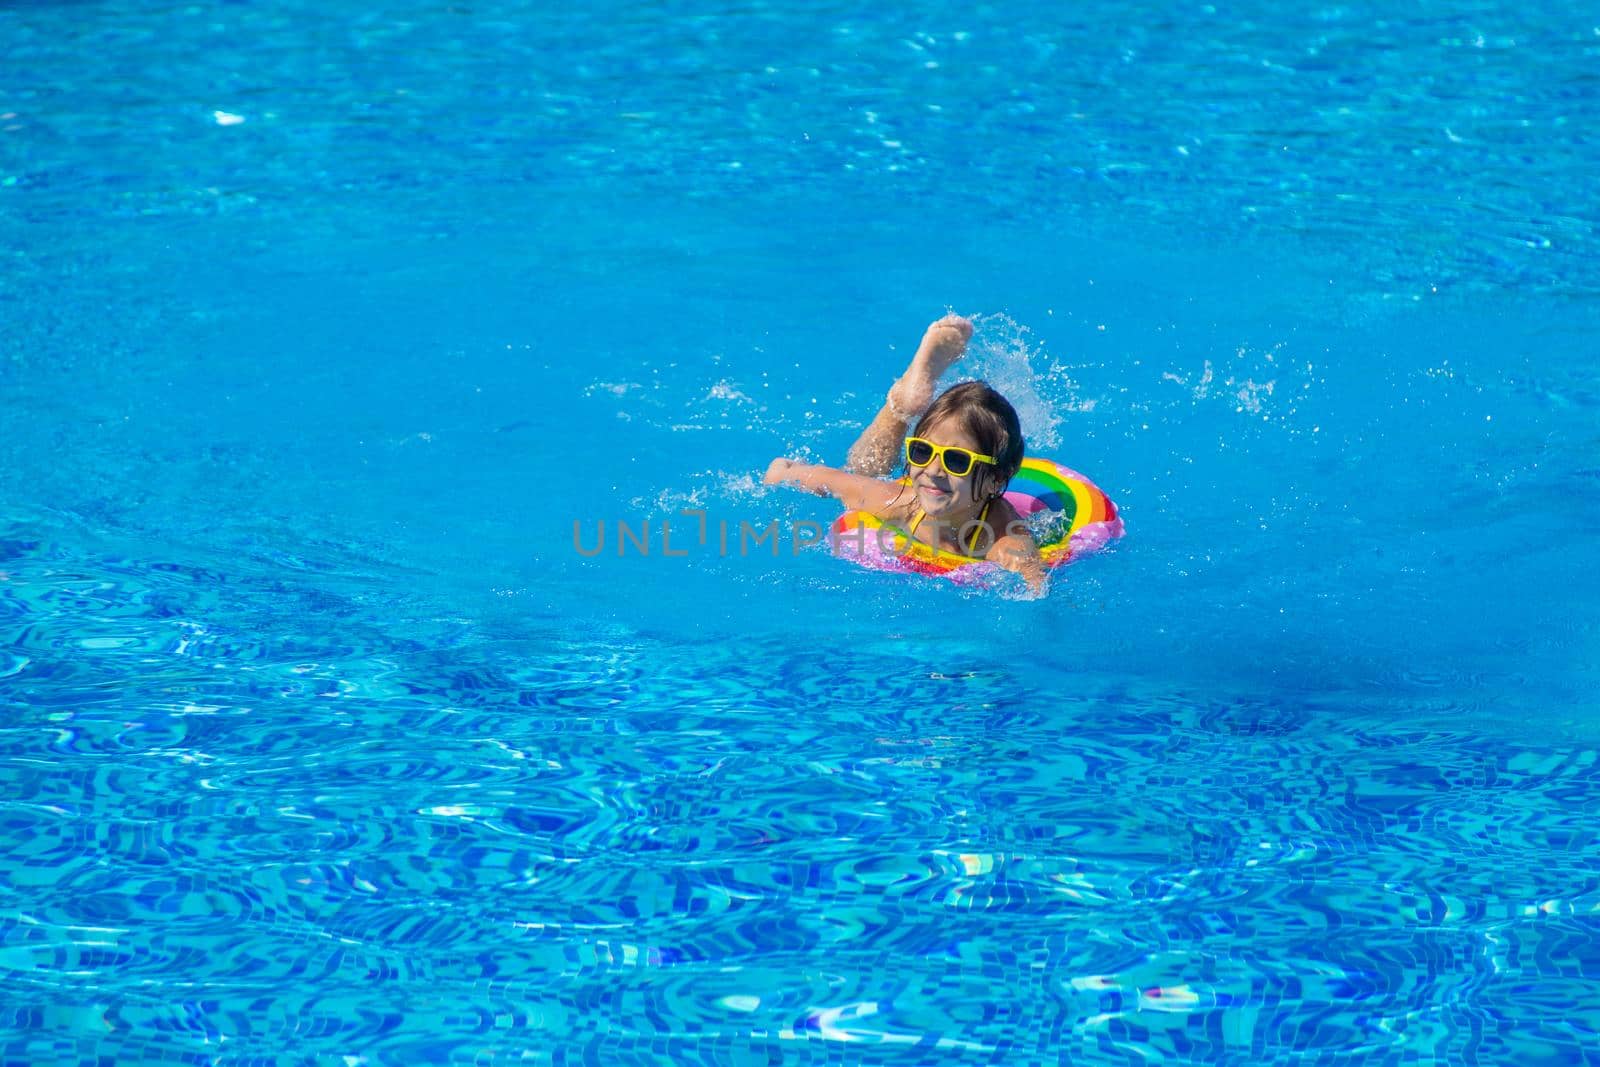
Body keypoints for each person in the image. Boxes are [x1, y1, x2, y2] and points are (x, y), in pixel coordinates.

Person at [763, 314, 1046, 591]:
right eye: (922, 451)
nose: (933, 470)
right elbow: (784, 470)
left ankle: (904, 405)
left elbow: (1034, 590)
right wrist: (784, 475)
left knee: (864, 471)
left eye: (957, 460)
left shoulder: (1006, 541)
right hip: (901, 506)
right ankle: (901, 405)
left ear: (996, 479)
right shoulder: (899, 503)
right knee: (861, 471)